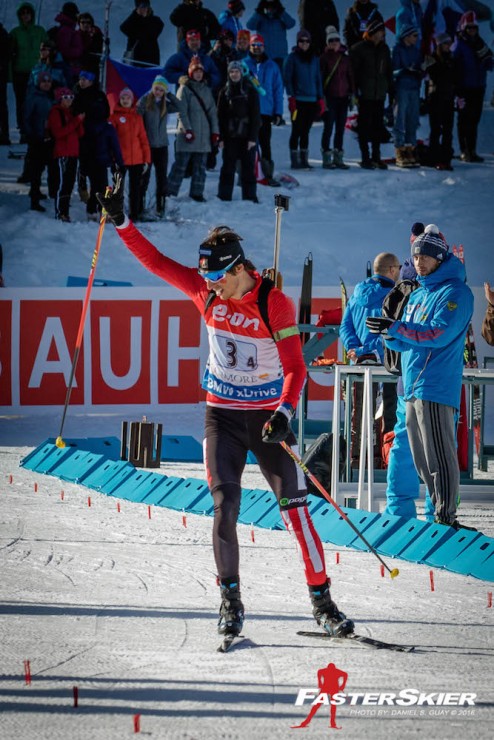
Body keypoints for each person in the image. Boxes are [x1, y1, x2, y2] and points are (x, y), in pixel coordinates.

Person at [96, 184, 356, 640]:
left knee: (295, 512)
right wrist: (122, 221)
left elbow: (296, 367)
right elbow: (156, 262)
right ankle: (230, 601)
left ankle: (323, 603)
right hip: (221, 418)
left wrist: (285, 413)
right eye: (208, 278)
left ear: (239, 269)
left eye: (219, 277)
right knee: (225, 507)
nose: (212, 284)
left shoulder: (272, 302)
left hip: (268, 420)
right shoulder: (206, 292)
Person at [366, 224, 474, 529]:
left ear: (440, 258)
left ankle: (446, 517)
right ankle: (435, 516)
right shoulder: (418, 293)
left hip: (436, 385)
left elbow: (439, 334)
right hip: (411, 386)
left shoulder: (456, 291)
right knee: (421, 460)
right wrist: (387, 333)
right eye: (415, 257)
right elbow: (405, 340)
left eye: (426, 256)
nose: (419, 262)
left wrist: (396, 329)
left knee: (440, 457)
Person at [340, 252, 400, 468]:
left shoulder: (356, 294)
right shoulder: (394, 296)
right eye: (399, 268)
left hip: (360, 365)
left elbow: (345, 327)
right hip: (387, 366)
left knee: (359, 411)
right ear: (392, 270)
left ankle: (357, 461)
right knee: (388, 413)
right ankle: (386, 460)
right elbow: (392, 332)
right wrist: (373, 351)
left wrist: (356, 349)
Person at [167, 57, 219, 202]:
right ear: (190, 73)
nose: (198, 74)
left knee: (200, 168)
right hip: (188, 135)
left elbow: (212, 112)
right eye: (195, 71)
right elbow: (181, 111)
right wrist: (187, 130)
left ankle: (197, 193)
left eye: (200, 71)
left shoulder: (207, 90)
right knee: (180, 166)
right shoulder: (184, 89)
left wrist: (215, 132)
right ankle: (169, 192)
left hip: (204, 136)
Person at [137, 76, 186, 218]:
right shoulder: (145, 101)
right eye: (156, 89)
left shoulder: (165, 103)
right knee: (144, 178)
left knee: (161, 178)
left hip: (162, 146)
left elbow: (181, 107)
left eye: (161, 90)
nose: (158, 92)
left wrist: (170, 94)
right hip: (147, 146)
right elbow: (137, 119)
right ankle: (139, 207)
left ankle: (160, 207)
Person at [349, 18, 392, 169]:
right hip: (365, 94)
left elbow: (388, 71)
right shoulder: (358, 49)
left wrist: (389, 89)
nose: (383, 35)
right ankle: (365, 157)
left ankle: (376, 157)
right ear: (373, 32)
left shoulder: (384, 49)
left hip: (379, 94)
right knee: (364, 126)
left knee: (378, 126)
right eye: (381, 32)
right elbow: (352, 73)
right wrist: (355, 92)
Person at [217, 60, 260, 203]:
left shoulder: (250, 90)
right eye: (231, 72)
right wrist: (221, 137)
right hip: (230, 137)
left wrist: (253, 138)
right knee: (227, 167)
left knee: (248, 168)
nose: (234, 74)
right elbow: (220, 116)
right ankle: (224, 196)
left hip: (246, 136)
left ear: (242, 73)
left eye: (237, 71)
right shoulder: (224, 92)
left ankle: (250, 196)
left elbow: (255, 116)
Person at [243, 33, 284, 185]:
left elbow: (278, 90)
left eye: (259, 45)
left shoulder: (272, 66)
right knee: (247, 143)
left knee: (265, 143)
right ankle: (246, 174)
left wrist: (278, 112)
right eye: (254, 45)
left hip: (265, 111)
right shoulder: (244, 64)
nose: (256, 48)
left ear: (263, 47)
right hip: (247, 112)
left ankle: (267, 174)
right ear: (250, 46)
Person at [453, 11, 493, 163]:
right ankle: (464, 150)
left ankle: (472, 150)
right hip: (464, 88)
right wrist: (457, 89)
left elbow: (489, 60)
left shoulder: (480, 43)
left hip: (478, 86)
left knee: (474, 119)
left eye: (474, 28)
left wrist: (487, 63)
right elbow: (453, 66)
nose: (472, 31)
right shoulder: (459, 44)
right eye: (469, 28)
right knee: (464, 119)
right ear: (463, 28)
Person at [284, 30, 324, 171]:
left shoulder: (314, 59)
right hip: (298, 100)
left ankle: (304, 159)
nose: (304, 43)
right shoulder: (292, 58)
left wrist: (320, 98)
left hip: (312, 99)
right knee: (296, 130)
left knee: (306, 131)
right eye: (302, 41)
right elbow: (288, 79)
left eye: (307, 41)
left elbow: (318, 78)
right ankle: (295, 160)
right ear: (297, 42)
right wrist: (291, 97)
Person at [110, 88, 151, 222]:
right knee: (118, 188)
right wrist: (113, 158)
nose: (125, 100)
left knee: (135, 190)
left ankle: (134, 214)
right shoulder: (114, 117)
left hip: (137, 160)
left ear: (132, 100)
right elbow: (111, 140)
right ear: (120, 100)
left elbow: (143, 139)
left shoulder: (137, 117)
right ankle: (117, 214)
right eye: (123, 98)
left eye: (128, 98)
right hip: (120, 159)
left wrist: (146, 159)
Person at [9, 2, 48, 143]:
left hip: (36, 72)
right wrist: (10, 74)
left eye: (28, 13)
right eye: (23, 13)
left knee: (37, 101)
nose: (26, 16)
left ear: (32, 15)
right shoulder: (15, 33)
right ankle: (23, 131)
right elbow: (10, 55)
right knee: (21, 103)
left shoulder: (39, 31)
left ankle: (38, 128)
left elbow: (48, 47)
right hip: (19, 71)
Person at [47, 86, 85, 222]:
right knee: (62, 183)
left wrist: (78, 120)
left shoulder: (70, 113)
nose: (69, 100)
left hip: (73, 152)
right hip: (63, 152)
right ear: (60, 99)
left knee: (69, 183)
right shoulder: (56, 113)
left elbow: (80, 133)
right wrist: (76, 121)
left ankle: (65, 212)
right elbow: (59, 133)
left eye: (71, 97)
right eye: (66, 97)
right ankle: (60, 212)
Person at [319, 25, 354, 169]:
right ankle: (327, 156)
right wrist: (322, 97)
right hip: (330, 97)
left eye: (336, 40)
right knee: (328, 127)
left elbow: (350, 76)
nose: (334, 42)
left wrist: (352, 94)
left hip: (343, 97)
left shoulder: (345, 58)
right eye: (331, 40)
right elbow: (320, 78)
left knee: (340, 128)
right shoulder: (324, 58)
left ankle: (338, 156)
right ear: (327, 43)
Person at [392, 24, 423, 168]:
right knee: (400, 118)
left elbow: (420, 68)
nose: (417, 38)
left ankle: (411, 149)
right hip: (402, 88)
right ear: (407, 36)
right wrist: (405, 71)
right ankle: (399, 148)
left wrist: (419, 72)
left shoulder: (416, 51)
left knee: (413, 118)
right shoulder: (397, 49)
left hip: (414, 88)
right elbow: (393, 71)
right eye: (414, 35)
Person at [425, 32, 457, 171]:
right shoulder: (431, 59)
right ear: (439, 45)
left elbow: (455, 77)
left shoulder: (451, 58)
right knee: (436, 129)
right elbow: (434, 75)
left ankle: (446, 158)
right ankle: (433, 157)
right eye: (445, 43)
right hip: (436, 98)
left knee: (448, 130)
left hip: (448, 97)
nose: (448, 46)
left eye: (449, 43)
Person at [23, 71, 55, 212]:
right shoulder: (33, 97)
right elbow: (26, 118)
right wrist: (31, 135)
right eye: (44, 82)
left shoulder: (51, 96)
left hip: (50, 138)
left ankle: (45, 193)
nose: (46, 84)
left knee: (49, 168)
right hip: (37, 138)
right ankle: (34, 199)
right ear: (38, 83)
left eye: (48, 82)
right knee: (36, 169)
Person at [246, 1, 296, 74]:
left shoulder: (281, 18)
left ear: (277, 8)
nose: (270, 10)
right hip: (265, 57)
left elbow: (291, 24)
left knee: (279, 83)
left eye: (273, 8)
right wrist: (258, 13)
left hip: (280, 58)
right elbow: (250, 25)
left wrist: (282, 12)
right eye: (268, 7)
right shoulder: (260, 18)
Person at [120, 1, 164, 68]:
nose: (144, 9)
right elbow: (123, 28)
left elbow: (152, 33)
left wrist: (145, 18)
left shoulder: (156, 21)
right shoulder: (133, 21)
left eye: (146, 6)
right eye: (141, 7)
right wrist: (136, 15)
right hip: (135, 59)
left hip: (150, 59)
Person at [51, 2, 84, 83]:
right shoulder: (66, 30)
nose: (77, 16)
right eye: (76, 14)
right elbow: (64, 50)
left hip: (69, 67)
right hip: (68, 67)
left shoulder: (67, 28)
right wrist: (78, 51)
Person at [78, 12, 104, 77]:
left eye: (88, 22)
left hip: (93, 66)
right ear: (79, 24)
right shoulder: (76, 35)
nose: (85, 25)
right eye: (83, 22)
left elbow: (103, 50)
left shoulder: (97, 34)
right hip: (79, 66)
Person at [0, 21, 12, 144]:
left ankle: (4, 134)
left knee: (1, 104)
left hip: (0, 74)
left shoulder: (2, 34)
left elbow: (7, 54)